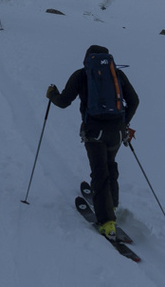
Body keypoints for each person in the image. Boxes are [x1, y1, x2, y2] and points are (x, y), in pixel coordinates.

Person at [46, 45, 139, 240]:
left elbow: (63, 102)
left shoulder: (81, 75)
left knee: (99, 173)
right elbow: (135, 100)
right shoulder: (117, 75)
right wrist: (124, 123)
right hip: (116, 132)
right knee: (110, 164)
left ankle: (107, 222)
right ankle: (112, 203)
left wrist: (52, 94)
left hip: (94, 132)